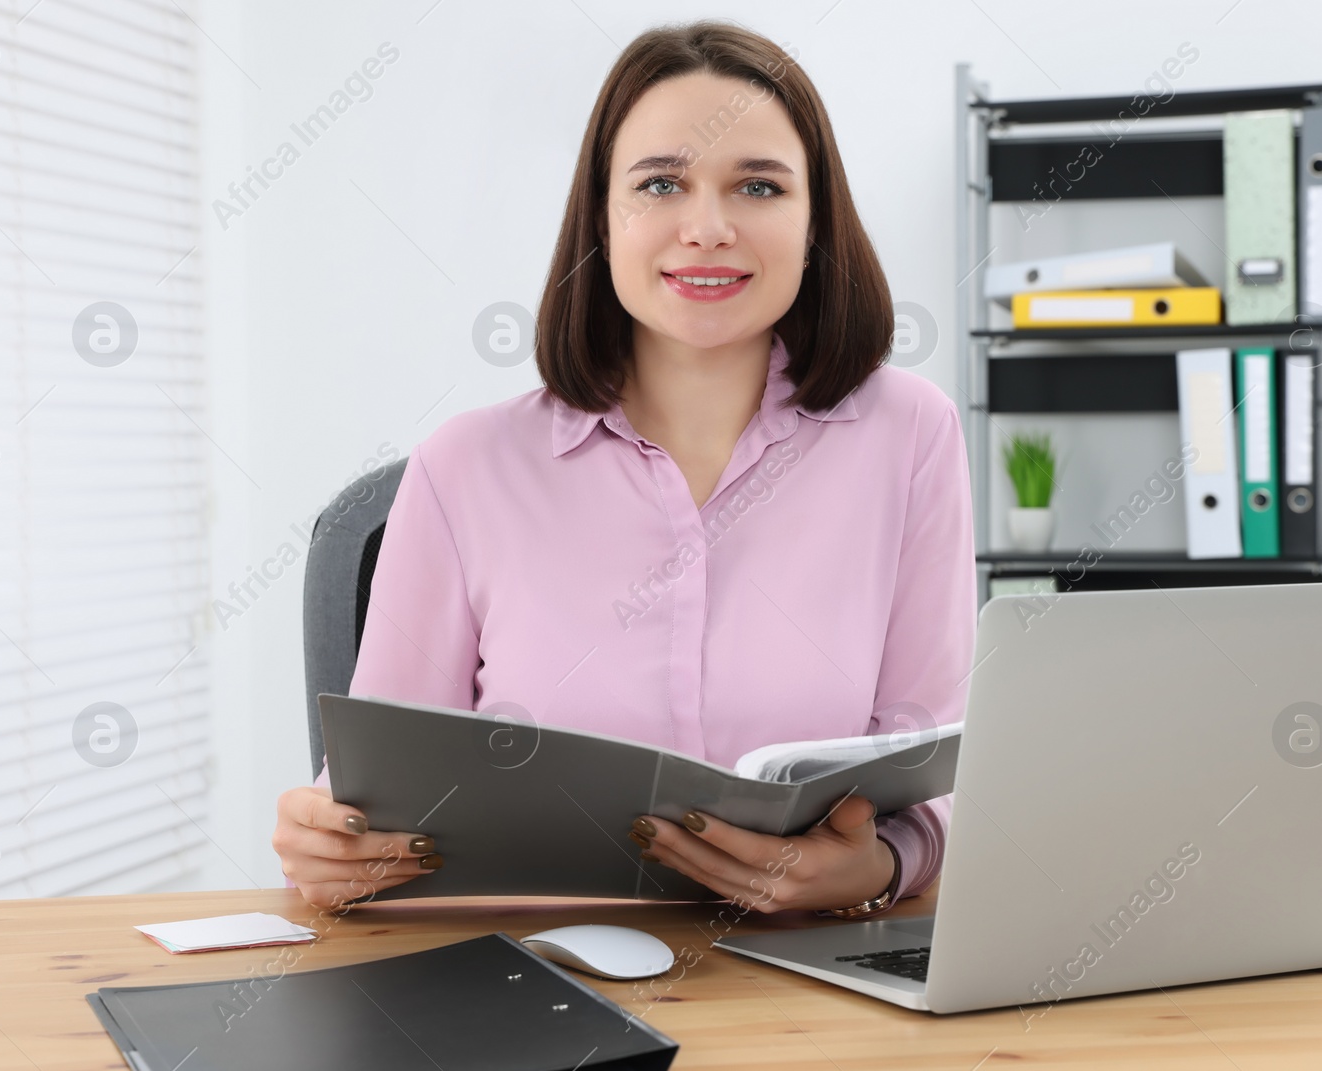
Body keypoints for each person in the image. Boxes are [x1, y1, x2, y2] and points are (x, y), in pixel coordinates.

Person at [273, 19, 974, 915]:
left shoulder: (910, 436)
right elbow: (371, 795)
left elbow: (932, 760)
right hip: (528, 981)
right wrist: (326, 842)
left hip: (807, 971)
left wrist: (881, 865)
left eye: (759, 185)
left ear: (814, 222)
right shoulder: (465, 469)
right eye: (661, 184)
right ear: (603, 218)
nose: (708, 227)